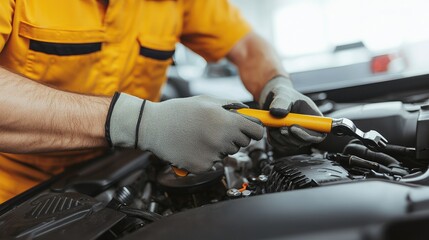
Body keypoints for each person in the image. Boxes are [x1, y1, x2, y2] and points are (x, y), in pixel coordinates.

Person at [0, 0, 325, 203]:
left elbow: (246, 45)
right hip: (16, 192)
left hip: (119, 173)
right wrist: (139, 122)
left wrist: (275, 83)